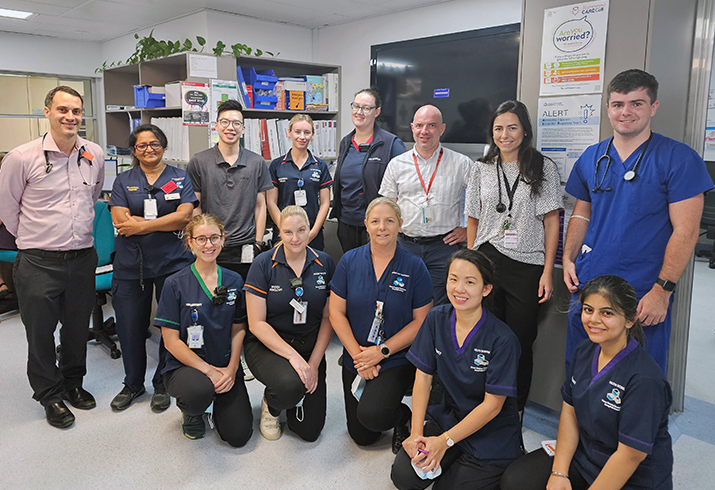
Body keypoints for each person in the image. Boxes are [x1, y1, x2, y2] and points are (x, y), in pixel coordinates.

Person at [563, 69, 714, 372]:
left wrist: (663, 290)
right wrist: (568, 257)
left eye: (637, 103)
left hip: (643, 290)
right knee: (580, 369)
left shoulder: (678, 159)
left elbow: (686, 230)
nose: (626, 112)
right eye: (618, 104)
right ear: (608, 108)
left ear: (653, 107)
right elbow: (582, 212)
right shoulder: (591, 158)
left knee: (637, 376)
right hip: (590, 284)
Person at [500, 275, 673, 490]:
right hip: (587, 459)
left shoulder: (645, 379)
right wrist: (559, 472)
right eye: (588, 309)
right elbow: (570, 413)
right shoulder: (584, 351)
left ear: (630, 319)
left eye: (607, 313)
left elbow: (630, 455)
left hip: (632, 478)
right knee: (515, 481)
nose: (593, 319)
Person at [0, 86, 104, 428]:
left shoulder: (94, 153)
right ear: (47, 112)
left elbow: (94, 195)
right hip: (38, 261)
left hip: (82, 258)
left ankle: (73, 383)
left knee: (76, 328)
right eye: (63, 110)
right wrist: (36, 238)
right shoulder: (21, 157)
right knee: (40, 333)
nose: (70, 117)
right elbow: (7, 210)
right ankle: (50, 395)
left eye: (76, 111)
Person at [391, 249, 522, 490]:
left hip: (490, 432)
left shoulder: (502, 340)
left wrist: (444, 442)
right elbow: (423, 378)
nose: (459, 289)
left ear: (486, 289)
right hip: (449, 417)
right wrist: (416, 432)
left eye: (470, 282)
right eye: (453, 279)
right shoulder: (436, 319)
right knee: (403, 477)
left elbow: (493, 405)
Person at [466, 100, 562, 412]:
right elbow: (473, 218)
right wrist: (470, 265)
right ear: (491, 133)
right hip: (487, 260)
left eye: (512, 127)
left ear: (524, 131)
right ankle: (485, 404)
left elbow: (551, 221)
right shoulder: (481, 168)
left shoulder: (542, 167)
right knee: (486, 337)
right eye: (498, 128)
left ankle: (515, 409)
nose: (505, 134)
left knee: (520, 341)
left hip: (527, 265)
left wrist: (548, 271)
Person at [330, 197, 433, 453]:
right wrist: (359, 356)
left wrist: (381, 352)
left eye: (389, 221)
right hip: (357, 354)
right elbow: (336, 312)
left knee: (374, 415)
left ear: (400, 224)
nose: (382, 228)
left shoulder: (414, 267)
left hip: (395, 357)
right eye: (375, 221)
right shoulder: (349, 262)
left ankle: (403, 417)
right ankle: (393, 411)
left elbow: (422, 321)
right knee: (362, 435)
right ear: (366, 225)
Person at [109, 124, 197, 412]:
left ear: (164, 145)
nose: (149, 149)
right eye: (142, 145)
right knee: (130, 325)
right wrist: (163, 221)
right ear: (134, 150)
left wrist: (143, 226)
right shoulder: (124, 180)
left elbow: (185, 216)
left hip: (173, 262)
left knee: (169, 325)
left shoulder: (179, 177)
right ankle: (133, 383)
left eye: (154, 143)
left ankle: (162, 382)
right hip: (131, 265)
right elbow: (121, 221)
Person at [154, 214, 253, 446]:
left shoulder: (234, 280)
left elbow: (239, 328)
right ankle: (193, 412)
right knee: (197, 392)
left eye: (214, 238)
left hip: (225, 364)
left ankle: (220, 401)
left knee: (238, 436)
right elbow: (171, 342)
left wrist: (232, 368)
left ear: (222, 240)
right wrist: (209, 371)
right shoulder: (174, 284)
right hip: (187, 366)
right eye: (201, 239)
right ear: (190, 242)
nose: (208, 245)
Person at [243, 206, 335, 442]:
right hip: (269, 345)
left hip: (309, 345)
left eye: (301, 230)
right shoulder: (263, 264)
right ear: (279, 233)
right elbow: (256, 323)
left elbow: (328, 318)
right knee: (289, 387)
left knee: (309, 432)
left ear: (310, 231)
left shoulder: (324, 262)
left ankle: (292, 391)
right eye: (288, 232)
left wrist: (313, 364)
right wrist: (294, 358)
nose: (295, 238)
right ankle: (272, 406)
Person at [379, 104, 473, 305]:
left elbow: (482, 201)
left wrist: (468, 229)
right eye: (420, 125)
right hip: (405, 245)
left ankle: (434, 338)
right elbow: (386, 207)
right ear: (412, 127)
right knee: (401, 300)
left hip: (444, 247)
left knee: (440, 304)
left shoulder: (461, 163)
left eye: (431, 125)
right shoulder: (397, 165)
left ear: (442, 128)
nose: (424, 131)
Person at [187, 99, 273, 280]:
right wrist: (201, 241)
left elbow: (260, 206)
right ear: (216, 126)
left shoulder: (256, 162)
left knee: (243, 300)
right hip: (210, 245)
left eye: (236, 123)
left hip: (246, 245)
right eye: (225, 122)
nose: (230, 127)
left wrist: (258, 242)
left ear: (243, 129)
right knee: (211, 297)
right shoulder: (199, 161)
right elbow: (196, 205)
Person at [331, 88, 407, 252]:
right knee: (353, 269)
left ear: (377, 112)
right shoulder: (346, 142)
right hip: (346, 224)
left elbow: (405, 188)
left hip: (378, 227)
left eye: (366, 108)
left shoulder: (391, 144)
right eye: (356, 106)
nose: (359, 112)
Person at [266, 114, 333, 250]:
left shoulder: (320, 165)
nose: (302, 137)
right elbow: (271, 202)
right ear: (289, 132)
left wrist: (312, 234)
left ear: (312, 135)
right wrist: (286, 231)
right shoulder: (277, 165)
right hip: (283, 234)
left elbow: (325, 203)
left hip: (312, 233)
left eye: (307, 132)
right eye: (297, 132)